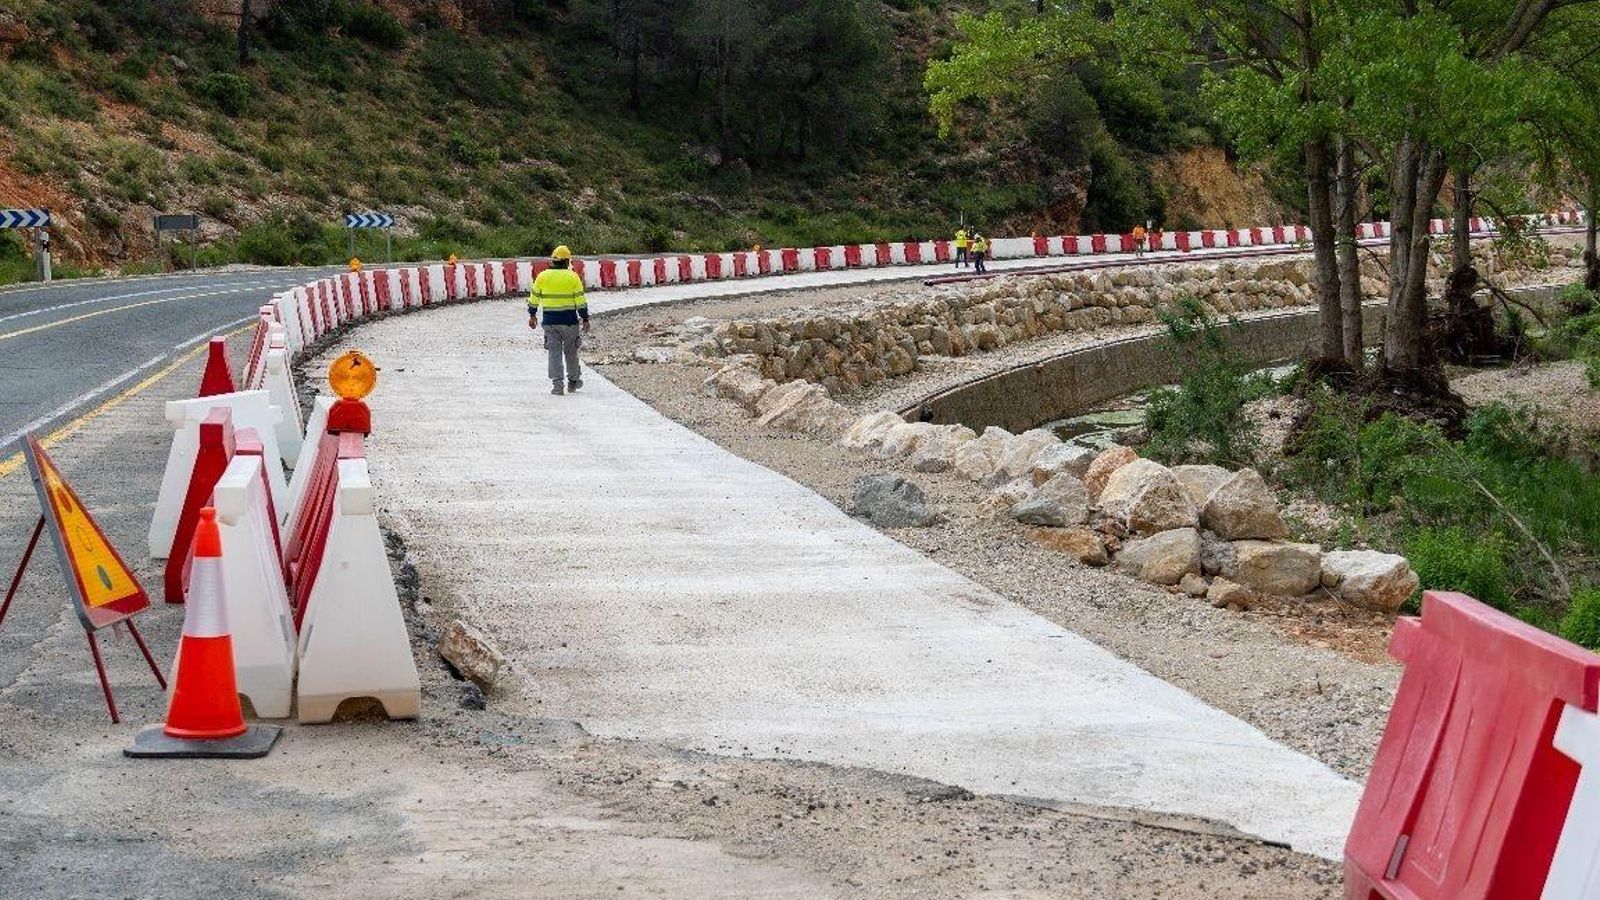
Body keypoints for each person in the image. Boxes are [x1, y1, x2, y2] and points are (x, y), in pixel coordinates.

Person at [528, 245, 591, 395]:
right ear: (567, 261)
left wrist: (532, 315)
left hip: (550, 323)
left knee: (554, 353)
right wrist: (585, 318)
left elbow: (533, 298)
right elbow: (580, 302)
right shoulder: (573, 277)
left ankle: (557, 385)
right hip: (569, 322)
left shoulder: (542, 276)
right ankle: (573, 381)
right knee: (571, 352)